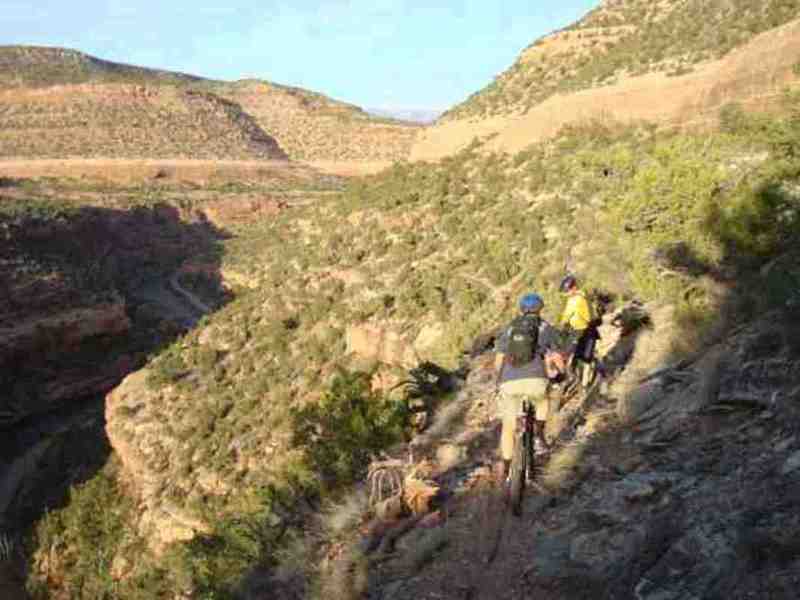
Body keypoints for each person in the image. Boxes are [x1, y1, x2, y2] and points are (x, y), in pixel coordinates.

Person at [494, 293, 561, 481]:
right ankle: (539, 433)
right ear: (540, 309)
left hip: (508, 381)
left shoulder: (510, 327)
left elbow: (499, 358)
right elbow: (556, 356)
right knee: (542, 400)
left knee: (508, 427)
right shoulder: (545, 327)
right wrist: (561, 373)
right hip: (536, 380)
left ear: (521, 309)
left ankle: (507, 469)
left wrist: (499, 380)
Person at [558, 275, 597, 375]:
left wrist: (561, 326)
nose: (566, 294)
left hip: (579, 330)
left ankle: (571, 376)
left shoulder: (575, 300)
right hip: (591, 329)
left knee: (569, 354)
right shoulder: (584, 295)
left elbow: (566, 315)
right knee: (587, 358)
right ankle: (585, 383)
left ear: (573, 288)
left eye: (567, 291)